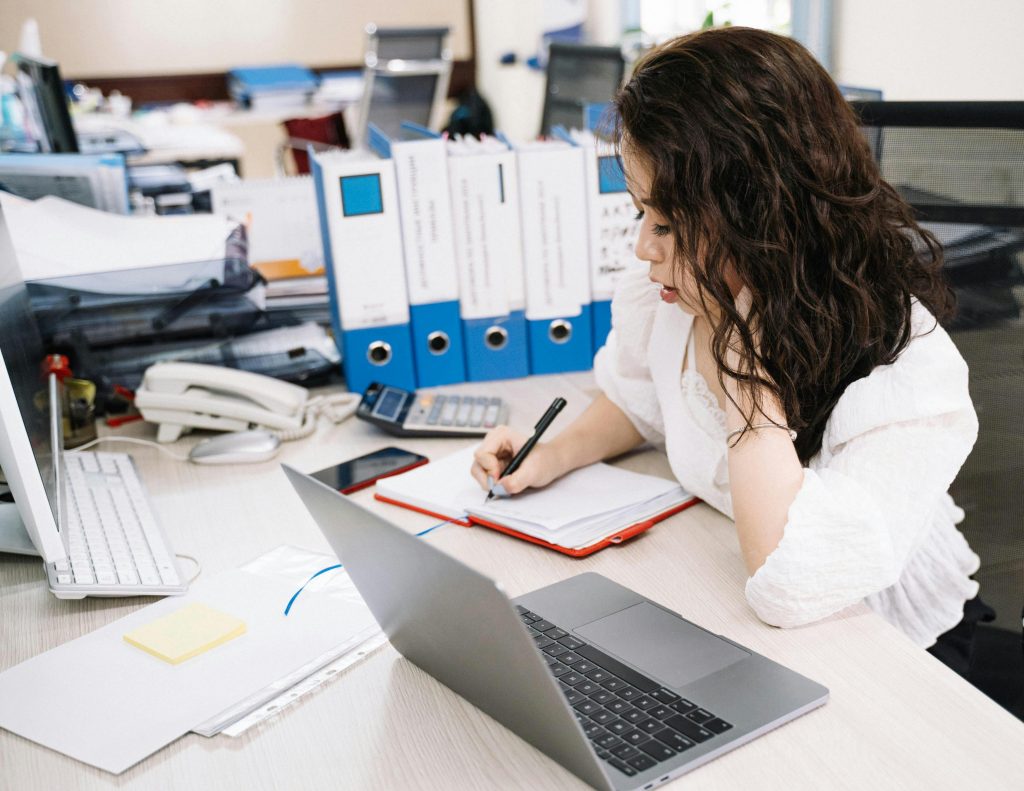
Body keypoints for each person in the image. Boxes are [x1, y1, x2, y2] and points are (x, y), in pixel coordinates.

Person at [471, 27, 990, 675]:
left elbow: (789, 575)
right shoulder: (676, 299)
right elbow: (643, 403)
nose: (642, 248)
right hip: (760, 631)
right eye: (641, 214)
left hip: (895, 649)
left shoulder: (906, 370)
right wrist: (551, 454)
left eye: (665, 223)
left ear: (758, 219)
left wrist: (744, 359)